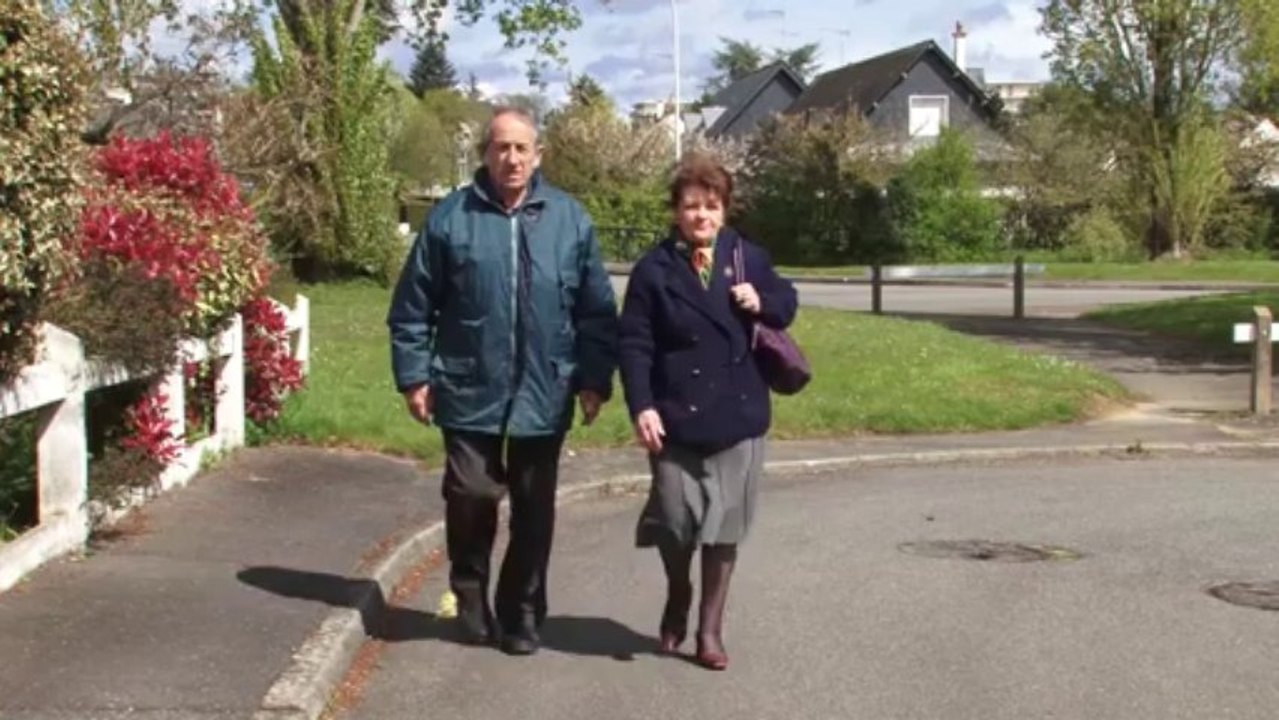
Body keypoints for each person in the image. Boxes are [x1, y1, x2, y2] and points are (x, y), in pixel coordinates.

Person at [387, 107, 619, 656]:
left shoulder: (569, 219)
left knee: (535, 508)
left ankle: (522, 613)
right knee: (471, 493)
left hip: (546, 387)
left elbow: (596, 313)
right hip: (468, 384)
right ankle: (471, 597)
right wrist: (414, 376)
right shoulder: (451, 218)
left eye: (521, 148)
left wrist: (593, 379)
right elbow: (413, 308)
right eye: (501, 148)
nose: (511, 158)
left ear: (538, 155)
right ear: (486, 154)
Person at [618, 154, 798, 670]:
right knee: (675, 524)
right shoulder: (653, 270)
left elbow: (787, 302)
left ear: (724, 210)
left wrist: (760, 300)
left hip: (739, 417)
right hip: (675, 419)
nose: (702, 216)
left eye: (711, 206)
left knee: (725, 527)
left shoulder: (747, 257)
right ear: (676, 211)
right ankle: (678, 593)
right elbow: (634, 344)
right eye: (692, 206)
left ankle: (709, 630)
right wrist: (642, 406)